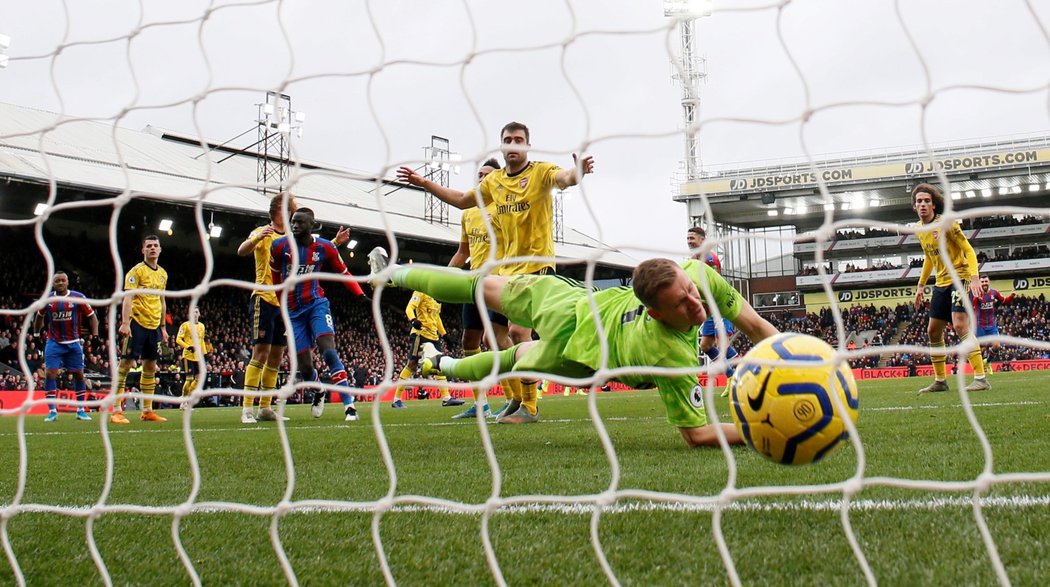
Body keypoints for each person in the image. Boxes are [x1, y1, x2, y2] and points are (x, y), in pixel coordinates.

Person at [369, 247, 778, 446]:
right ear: (654, 314)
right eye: (682, 304)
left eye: (691, 293)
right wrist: (765, 432)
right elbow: (699, 434)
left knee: (508, 345)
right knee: (487, 296)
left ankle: (437, 360)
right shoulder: (666, 353)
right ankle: (395, 279)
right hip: (577, 333)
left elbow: (759, 326)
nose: (697, 304)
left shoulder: (696, 275)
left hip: (576, 330)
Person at [396, 122, 595, 424]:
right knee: (497, 340)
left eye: (518, 140)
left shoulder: (541, 172)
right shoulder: (494, 183)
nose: (513, 145)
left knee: (518, 332)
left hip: (537, 267)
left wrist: (577, 171)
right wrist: (424, 182)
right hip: (505, 271)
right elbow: (462, 200)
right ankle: (515, 398)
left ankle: (530, 405)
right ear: (501, 146)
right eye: (507, 140)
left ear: (527, 145)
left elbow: (565, 178)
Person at [237, 193, 350, 424]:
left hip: (288, 305)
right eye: (291, 209)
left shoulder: (292, 237)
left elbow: (315, 254)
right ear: (279, 211)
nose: (294, 215)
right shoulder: (263, 231)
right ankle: (246, 409)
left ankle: (265, 408)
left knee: (277, 356)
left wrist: (336, 243)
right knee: (261, 353)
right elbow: (242, 251)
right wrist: (258, 238)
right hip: (265, 298)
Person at [270, 207, 365, 421]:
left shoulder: (325, 247)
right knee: (305, 367)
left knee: (328, 351)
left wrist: (360, 295)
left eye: (300, 222)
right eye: (293, 222)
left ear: (311, 225)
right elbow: (275, 280)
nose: (294, 225)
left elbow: (344, 272)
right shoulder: (279, 246)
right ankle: (319, 390)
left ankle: (349, 405)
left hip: (316, 304)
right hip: (293, 312)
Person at [447, 158, 513, 419]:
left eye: (487, 175)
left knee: (495, 340)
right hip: (473, 282)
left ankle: (515, 397)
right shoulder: (469, 212)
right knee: (469, 341)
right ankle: (481, 404)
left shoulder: (505, 209)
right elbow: (463, 252)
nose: (481, 179)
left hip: (498, 281)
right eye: (479, 175)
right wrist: (448, 275)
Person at [912, 183, 989, 394]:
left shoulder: (947, 224)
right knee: (933, 331)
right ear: (914, 207)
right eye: (919, 201)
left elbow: (969, 250)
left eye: (927, 201)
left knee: (960, 325)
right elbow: (929, 257)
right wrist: (920, 286)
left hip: (960, 278)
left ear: (934, 205)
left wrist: (974, 278)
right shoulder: (919, 229)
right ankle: (940, 381)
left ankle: (981, 378)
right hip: (941, 283)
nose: (923, 204)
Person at [112, 235, 169, 424]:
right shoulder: (136, 271)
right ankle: (116, 411)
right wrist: (125, 322)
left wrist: (163, 327)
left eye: (155, 246)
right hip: (137, 323)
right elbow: (128, 298)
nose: (153, 248)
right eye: (149, 246)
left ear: (160, 250)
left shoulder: (162, 273)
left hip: (154, 326)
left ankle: (147, 411)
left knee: (150, 366)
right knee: (126, 365)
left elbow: (162, 300)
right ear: (143, 250)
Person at [33, 271, 98, 422]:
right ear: (53, 283)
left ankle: (81, 410)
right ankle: (52, 412)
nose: (60, 283)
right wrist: (36, 334)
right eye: (57, 281)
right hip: (54, 342)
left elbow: (92, 317)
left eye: (63, 280)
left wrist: (95, 336)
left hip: (74, 343)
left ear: (67, 282)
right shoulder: (48, 298)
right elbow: (39, 317)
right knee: (50, 374)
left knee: (79, 375)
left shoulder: (78, 297)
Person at [687, 226, 740, 397]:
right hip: (707, 308)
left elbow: (710, 283)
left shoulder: (709, 258)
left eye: (692, 238)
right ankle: (735, 372)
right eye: (687, 238)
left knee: (721, 344)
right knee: (705, 345)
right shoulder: (694, 258)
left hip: (717, 305)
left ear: (702, 240)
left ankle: (737, 373)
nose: (689, 241)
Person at [390, 290, 462, 408]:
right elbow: (409, 308)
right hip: (420, 334)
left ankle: (446, 398)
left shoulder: (436, 297)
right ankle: (396, 399)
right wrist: (413, 320)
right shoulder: (420, 292)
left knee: (438, 364)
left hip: (434, 336)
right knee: (412, 364)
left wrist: (445, 335)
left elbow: (436, 317)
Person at [972, 275, 1014, 374]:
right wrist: (976, 297)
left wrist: (1011, 296)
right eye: (982, 282)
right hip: (980, 325)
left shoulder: (994, 293)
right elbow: (972, 305)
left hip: (991, 325)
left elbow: (1003, 301)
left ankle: (987, 362)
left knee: (997, 345)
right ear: (979, 283)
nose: (984, 283)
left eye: (985, 281)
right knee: (980, 349)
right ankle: (980, 371)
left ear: (989, 282)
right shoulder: (976, 294)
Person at [176, 307, 212, 406]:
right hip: (188, 356)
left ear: (199, 314)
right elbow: (178, 339)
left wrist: (205, 355)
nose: (195, 314)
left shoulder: (202, 326)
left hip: (198, 357)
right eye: (193, 312)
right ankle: (183, 399)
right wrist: (188, 347)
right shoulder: (185, 325)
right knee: (189, 379)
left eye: (196, 312)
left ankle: (187, 399)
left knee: (198, 379)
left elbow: (201, 342)